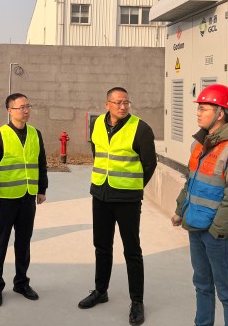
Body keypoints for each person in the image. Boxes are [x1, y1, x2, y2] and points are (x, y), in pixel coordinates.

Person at [171, 84, 228, 326]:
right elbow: (191, 181)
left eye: (204, 108)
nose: (198, 113)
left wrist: (217, 231)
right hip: (196, 224)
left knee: (227, 293)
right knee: (202, 285)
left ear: (220, 113)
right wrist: (180, 210)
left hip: (218, 234)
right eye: (198, 108)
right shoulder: (200, 144)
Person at [78, 87, 157, 326]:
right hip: (100, 195)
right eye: (118, 103)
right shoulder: (97, 125)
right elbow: (98, 154)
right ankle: (100, 291)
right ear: (107, 105)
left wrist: (133, 187)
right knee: (102, 246)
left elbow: (149, 164)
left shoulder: (141, 128)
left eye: (126, 102)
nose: (123, 107)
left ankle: (137, 302)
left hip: (127, 200)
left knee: (132, 250)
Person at [0, 93, 48, 308]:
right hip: (6, 199)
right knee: (1, 243)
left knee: (24, 243)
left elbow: (41, 163)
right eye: (21, 107)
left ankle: (21, 283)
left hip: (28, 197)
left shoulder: (35, 134)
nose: (26, 110)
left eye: (28, 106)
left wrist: (42, 189)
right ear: (9, 110)